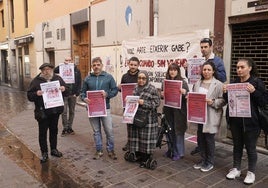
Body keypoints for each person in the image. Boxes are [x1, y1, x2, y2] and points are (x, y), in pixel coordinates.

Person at [223, 58, 267, 185]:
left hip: (252, 123)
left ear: (250, 68)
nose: (239, 70)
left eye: (242, 67)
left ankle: (251, 172)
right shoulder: (234, 82)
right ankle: (236, 168)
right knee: (237, 146)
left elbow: (264, 101)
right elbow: (228, 100)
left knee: (250, 148)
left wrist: (254, 92)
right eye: (237, 67)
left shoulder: (257, 82)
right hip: (236, 121)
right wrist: (225, 92)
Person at [191, 37, 227, 156]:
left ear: (210, 47)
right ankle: (200, 148)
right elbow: (193, 78)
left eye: (206, 47)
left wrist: (211, 76)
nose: (203, 49)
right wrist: (188, 69)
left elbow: (222, 78)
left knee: (208, 134)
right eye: (201, 47)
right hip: (199, 96)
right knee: (200, 130)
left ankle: (208, 155)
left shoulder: (218, 61)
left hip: (210, 98)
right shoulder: (199, 60)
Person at [27, 63, 68, 163]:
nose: (47, 71)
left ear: (52, 70)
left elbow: (67, 90)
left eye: (49, 69)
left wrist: (64, 89)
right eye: (44, 70)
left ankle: (54, 149)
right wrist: (36, 93)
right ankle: (44, 153)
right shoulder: (36, 81)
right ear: (41, 71)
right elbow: (29, 96)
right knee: (43, 133)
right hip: (43, 112)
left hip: (55, 110)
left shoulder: (58, 79)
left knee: (54, 131)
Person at [80, 57, 118, 160]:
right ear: (92, 66)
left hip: (105, 108)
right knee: (96, 131)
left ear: (101, 65)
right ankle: (99, 150)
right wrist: (84, 98)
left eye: (98, 64)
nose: (96, 67)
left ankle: (111, 150)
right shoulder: (87, 79)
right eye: (94, 65)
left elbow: (115, 90)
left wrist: (107, 94)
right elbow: (82, 92)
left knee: (109, 130)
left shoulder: (108, 77)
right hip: (92, 109)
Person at [192, 60, 226, 172]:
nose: (206, 72)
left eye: (209, 70)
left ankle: (210, 162)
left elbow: (223, 101)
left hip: (211, 115)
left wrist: (212, 102)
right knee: (201, 139)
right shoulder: (197, 83)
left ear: (213, 71)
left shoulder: (219, 84)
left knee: (209, 140)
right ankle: (203, 159)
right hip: (199, 115)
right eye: (204, 69)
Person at [127, 70, 160, 167]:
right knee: (136, 137)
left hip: (148, 119)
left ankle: (146, 157)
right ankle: (137, 154)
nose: (141, 80)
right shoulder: (136, 88)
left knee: (145, 139)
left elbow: (156, 103)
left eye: (143, 78)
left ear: (147, 79)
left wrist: (143, 103)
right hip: (136, 117)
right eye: (139, 78)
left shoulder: (152, 89)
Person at [161, 63, 189, 161]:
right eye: (170, 70)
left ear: (178, 71)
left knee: (178, 132)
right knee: (168, 130)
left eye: (174, 70)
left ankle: (179, 152)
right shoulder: (165, 82)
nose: (172, 72)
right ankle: (171, 150)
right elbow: (162, 95)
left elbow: (188, 96)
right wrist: (161, 94)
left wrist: (185, 92)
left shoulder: (183, 82)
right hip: (168, 110)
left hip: (179, 112)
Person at [54, 57, 81, 136]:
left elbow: (79, 82)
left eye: (69, 60)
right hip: (64, 94)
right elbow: (55, 70)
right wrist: (62, 65)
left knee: (72, 111)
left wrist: (77, 93)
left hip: (73, 94)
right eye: (66, 60)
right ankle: (65, 128)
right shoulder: (61, 68)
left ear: (72, 61)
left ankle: (70, 127)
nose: (68, 62)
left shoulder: (76, 70)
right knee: (64, 112)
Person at [118, 56, 140, 151]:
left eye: (135, 65)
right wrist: (119, 88)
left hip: (139, 106)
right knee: (129, 126)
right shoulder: (124, 76)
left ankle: (138, 144)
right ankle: (130, 142)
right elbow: (121, 91)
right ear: (128, 64)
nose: (133, 66)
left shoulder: (141, 76)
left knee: (138, 125)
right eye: (131, 64)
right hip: (127, 106)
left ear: (138, 65)